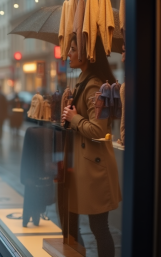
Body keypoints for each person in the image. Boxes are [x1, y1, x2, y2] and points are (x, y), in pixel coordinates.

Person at [62, 34, 121, 257]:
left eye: (73, 49)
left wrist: (74, 119)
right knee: (88, 226)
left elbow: (98, 130)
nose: (68, 53)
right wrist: (70, 113)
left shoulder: (93, 85)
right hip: (86, 166)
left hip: (95, 169)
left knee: (99, 228)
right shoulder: (84, 82)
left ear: (86, 54)